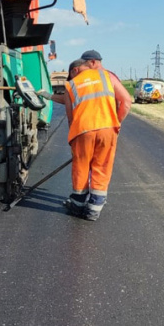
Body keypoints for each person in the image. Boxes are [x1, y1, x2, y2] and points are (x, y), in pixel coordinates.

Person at [39, 50, 132, 221]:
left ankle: (77, 205)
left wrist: (73, 135)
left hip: (82, 131)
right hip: (107, 129)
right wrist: (115, 124)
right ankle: (94, 209)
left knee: (81, 167)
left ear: (75, 70)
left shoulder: (72, 84)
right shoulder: (107, 77)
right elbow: (126, 102)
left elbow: (70, 114)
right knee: (102, 167)